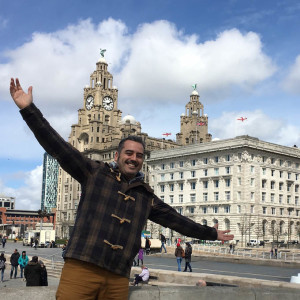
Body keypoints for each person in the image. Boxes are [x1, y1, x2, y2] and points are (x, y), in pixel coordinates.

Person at [9, 78, 234, 299]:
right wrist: (29, 109)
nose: (134, 159)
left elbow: (177, 221)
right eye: (129, 153)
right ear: (117, 156)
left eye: (139, 155)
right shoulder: (94, 172)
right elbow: (56, 145)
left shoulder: (145, 195)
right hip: (82, 268)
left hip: (118, 276)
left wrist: (212, 233)